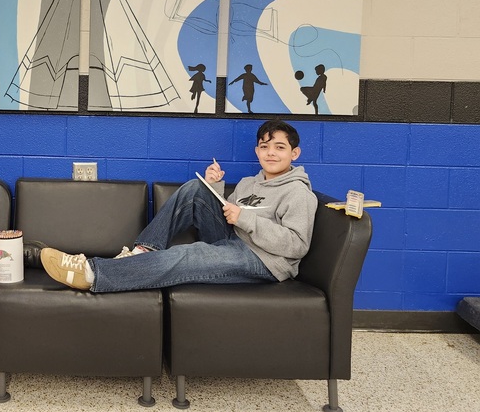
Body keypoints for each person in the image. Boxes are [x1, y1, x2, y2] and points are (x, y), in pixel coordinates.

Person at [41, 119, 317, 293]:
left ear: (294, 153)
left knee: (188, 255)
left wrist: (246, 219)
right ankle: (142, 250)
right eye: (265, 146)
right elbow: (231, 215)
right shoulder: (249, 183)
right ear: (257, 151)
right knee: (196, 188)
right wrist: (214, 188)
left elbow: (296, 245)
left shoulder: (298, 193)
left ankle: (91, 273)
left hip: (263, 261)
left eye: (279, 148)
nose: (271, 153)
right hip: (233, 241)